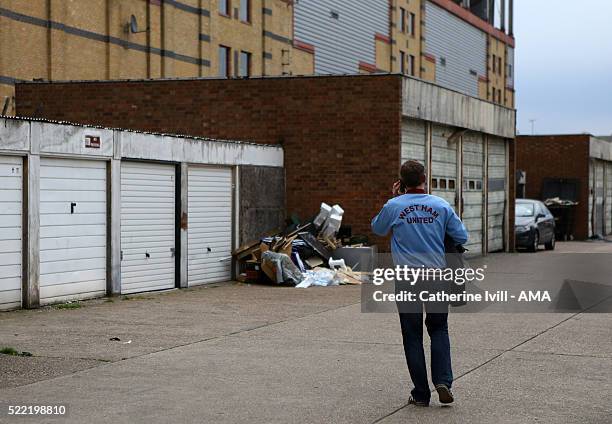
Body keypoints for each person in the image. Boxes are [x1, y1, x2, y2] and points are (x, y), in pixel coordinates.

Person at [371, 160, 468, 407]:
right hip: (436, 277)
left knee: (412, 335)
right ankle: (443, 380)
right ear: (426, 177)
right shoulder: (441, 205)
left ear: (401, 182)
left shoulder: (394, 206)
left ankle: (421, 393)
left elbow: (378, 229)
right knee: (439, 329)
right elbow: (462, 236)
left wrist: (394, 198)